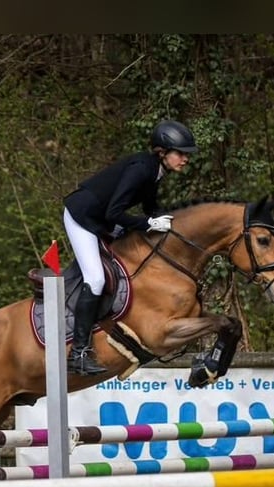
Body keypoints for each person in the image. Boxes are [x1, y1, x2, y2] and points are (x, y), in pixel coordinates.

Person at [63, 119, 198, 375]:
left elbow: (150, 209)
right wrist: (149, 223)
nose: (185, 159)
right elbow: (116, 212)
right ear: (162, 152)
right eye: (181, 154)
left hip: (101, 217)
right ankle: (78, 353)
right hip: (82, 217)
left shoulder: (155, 172)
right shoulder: (141, 170)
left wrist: (177, 223)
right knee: (96, 279)